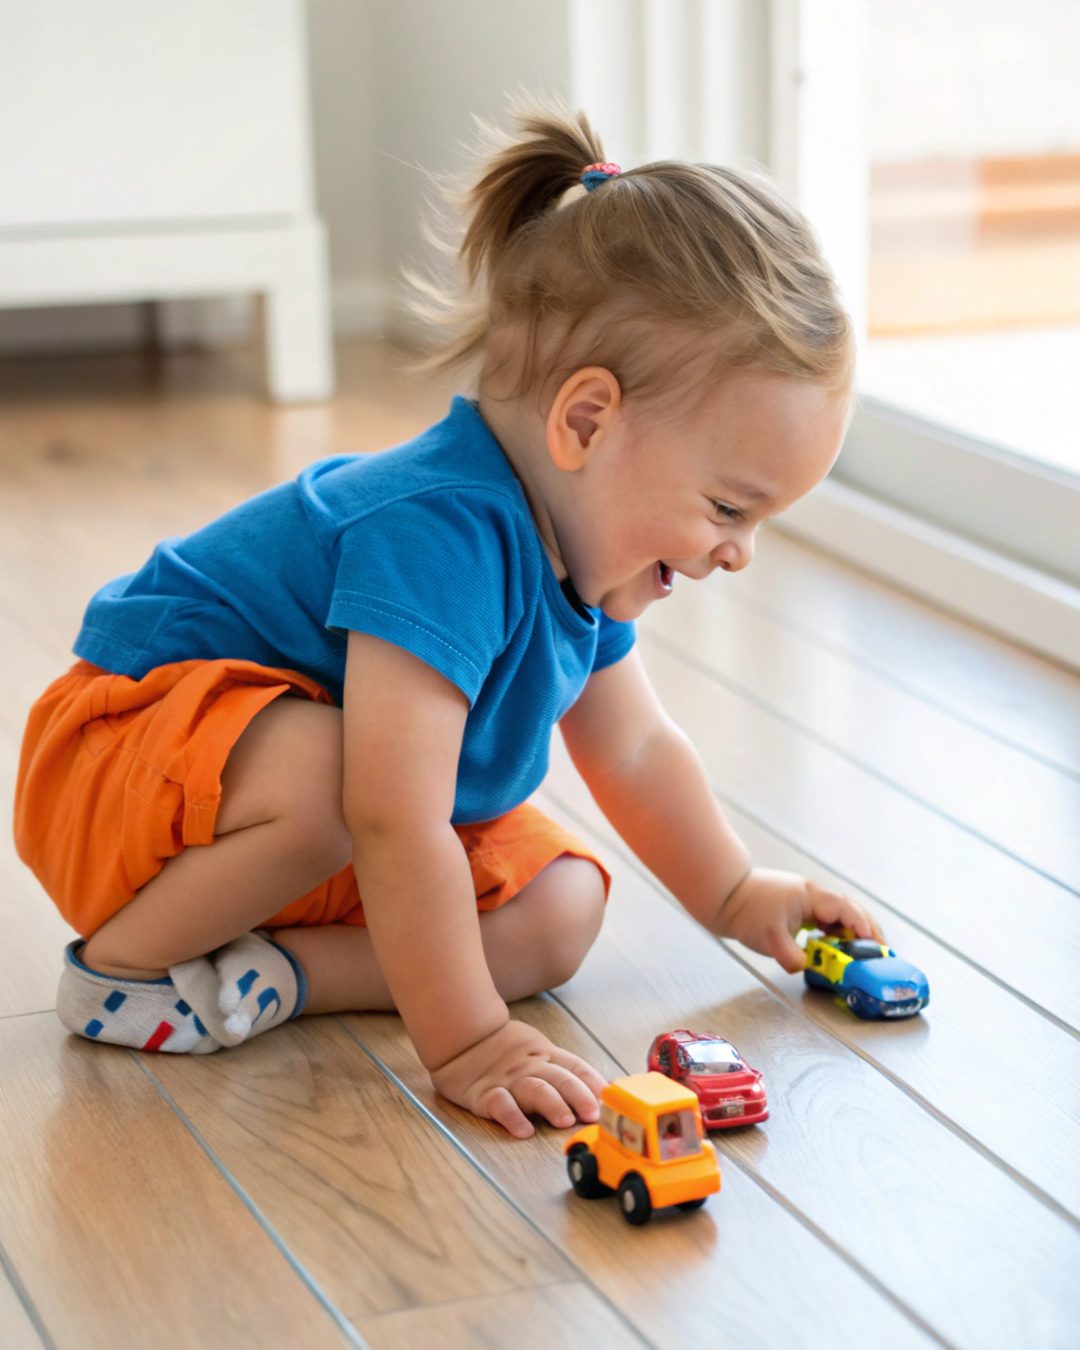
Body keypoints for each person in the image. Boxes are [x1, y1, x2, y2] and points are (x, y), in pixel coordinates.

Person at [14, 99, 883, 1140]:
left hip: (301, 826)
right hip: (128, 779)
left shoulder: (583, 558)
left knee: (564, 907)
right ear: (587, 421)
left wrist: (739, 896)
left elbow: (637, 750)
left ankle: (279, 974)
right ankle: (123, 969)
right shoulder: (440, 531)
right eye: (730, 508)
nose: (739, 552)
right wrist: (470, 1040)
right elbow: (391, 816)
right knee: (346, 783)